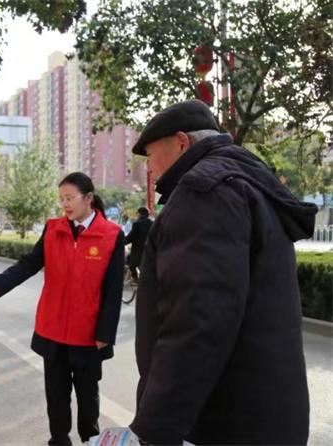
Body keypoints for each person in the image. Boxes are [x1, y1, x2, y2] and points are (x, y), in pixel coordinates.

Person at [127, 99, 315, 445]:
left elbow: (197, 322)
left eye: (150, 156)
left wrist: (155, 429)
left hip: (225, 421)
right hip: (267, 414)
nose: (149, 168)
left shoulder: (205, 192)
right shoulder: (246, 180)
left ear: (181, 143)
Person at [0, 172, 125, 445]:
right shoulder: (53, 229)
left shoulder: (112, 235)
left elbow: (114, 290)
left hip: (88, 335)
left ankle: (90, 440)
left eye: (70, 198)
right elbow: (29, 264)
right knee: (56, 397)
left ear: (88, 198)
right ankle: (59, 441)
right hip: (52, 330)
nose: (64, 204)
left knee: (88, 398)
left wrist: (105, 334)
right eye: (61, 199)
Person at [123, 207, 153, 283]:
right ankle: (144, 280)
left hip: (138, 249)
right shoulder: (152, 223)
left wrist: (122, 242)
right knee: (144, 266)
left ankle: (136, 279)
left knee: (132, 265)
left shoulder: (137, 224)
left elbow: (131, 237)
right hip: (150, 249)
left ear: (139, 214)